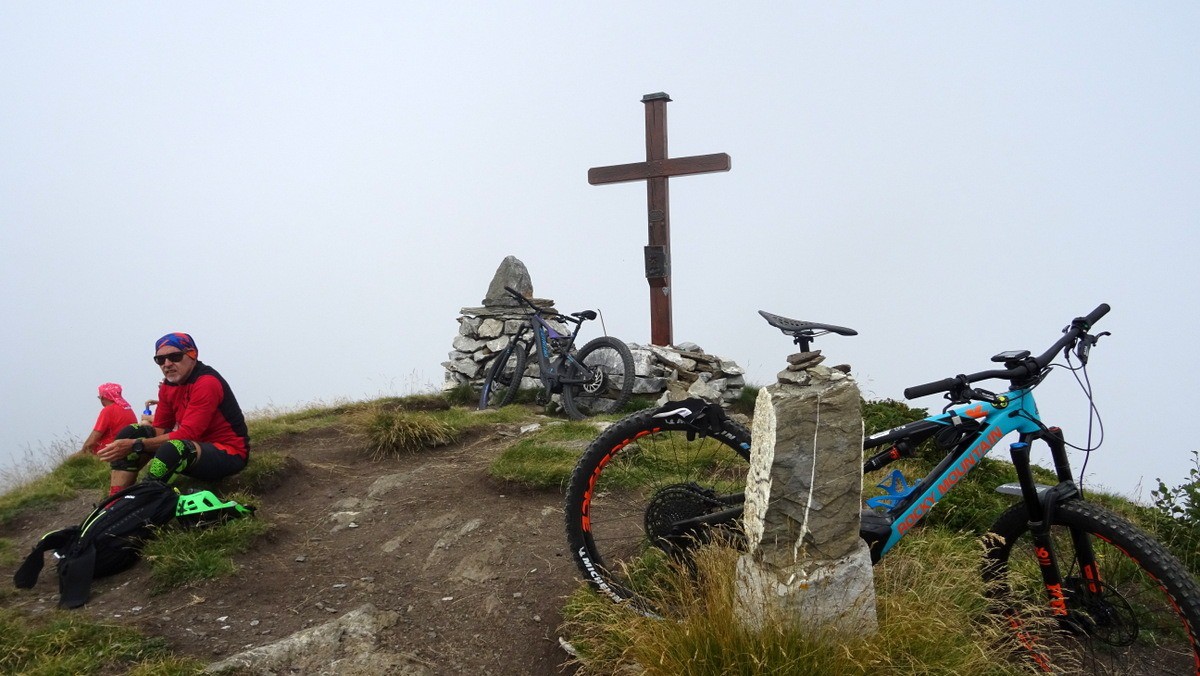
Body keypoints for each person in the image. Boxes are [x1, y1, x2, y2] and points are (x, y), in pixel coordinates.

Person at [97, 333, 250, 496]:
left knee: (173, 448)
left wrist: (136, 445)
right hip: (195, 448)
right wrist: (134, 442)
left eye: (175, 356)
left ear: (192, 355)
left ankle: (140, 500)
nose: (167, 364)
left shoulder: (206, 382)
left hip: (229, 453)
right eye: (160, 360)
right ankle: (114, 499)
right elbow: (160, 429)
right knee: (131, 432)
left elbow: (188, 434)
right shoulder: (168, 385)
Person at [74, 383, 138, 457]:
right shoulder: (128, 409)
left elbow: (92, 440)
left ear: (102, 397)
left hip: (107, 453)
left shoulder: (108, 410)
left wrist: (80, 454)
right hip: (127, 451)